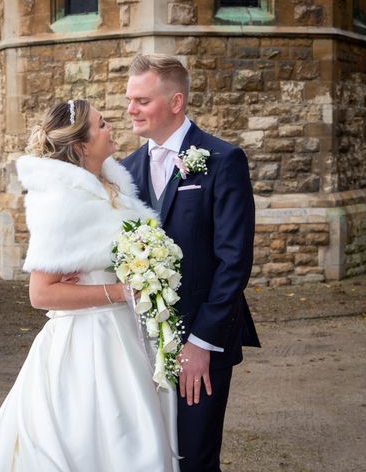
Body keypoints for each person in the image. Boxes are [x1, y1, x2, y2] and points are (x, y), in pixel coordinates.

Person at [0, 99, 180, 472]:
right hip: (87, 344)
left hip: (126, 334)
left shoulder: (114, 184)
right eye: (101, 125)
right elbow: (41, 293)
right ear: (81, 145)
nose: (111, 127)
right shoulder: (62, 200)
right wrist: (118, 291)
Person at [122, 54, 261, 472]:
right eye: (130, 99)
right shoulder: (125, 170)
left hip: (201, 342)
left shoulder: (223, 160)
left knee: (196, 458)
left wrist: (201, 343)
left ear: (176, 102)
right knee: (149, 454)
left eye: (142, 101)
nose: (130, 109)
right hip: (137, 345)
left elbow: (234, 260)